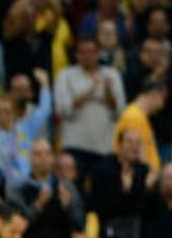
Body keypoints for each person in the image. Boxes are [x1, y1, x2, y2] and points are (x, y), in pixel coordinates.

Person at [54, 38, 126, 179]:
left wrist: (108, 93)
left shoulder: (112, 75)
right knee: (73, 189)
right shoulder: (65, 75)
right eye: (83, 52)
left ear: (99, 53)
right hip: (74, 144)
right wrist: (89, 92)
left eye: (92, 52)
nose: (87, 56)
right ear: (76, 55)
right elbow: (61, 109)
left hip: (104, 146)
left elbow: (119, 112)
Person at [112, 80, 167, 175]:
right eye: (163, 99)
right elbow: (137, 153)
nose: (162, 105)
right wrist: (148, 177)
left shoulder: (140, 117)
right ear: (154, 94)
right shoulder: (134, 117)